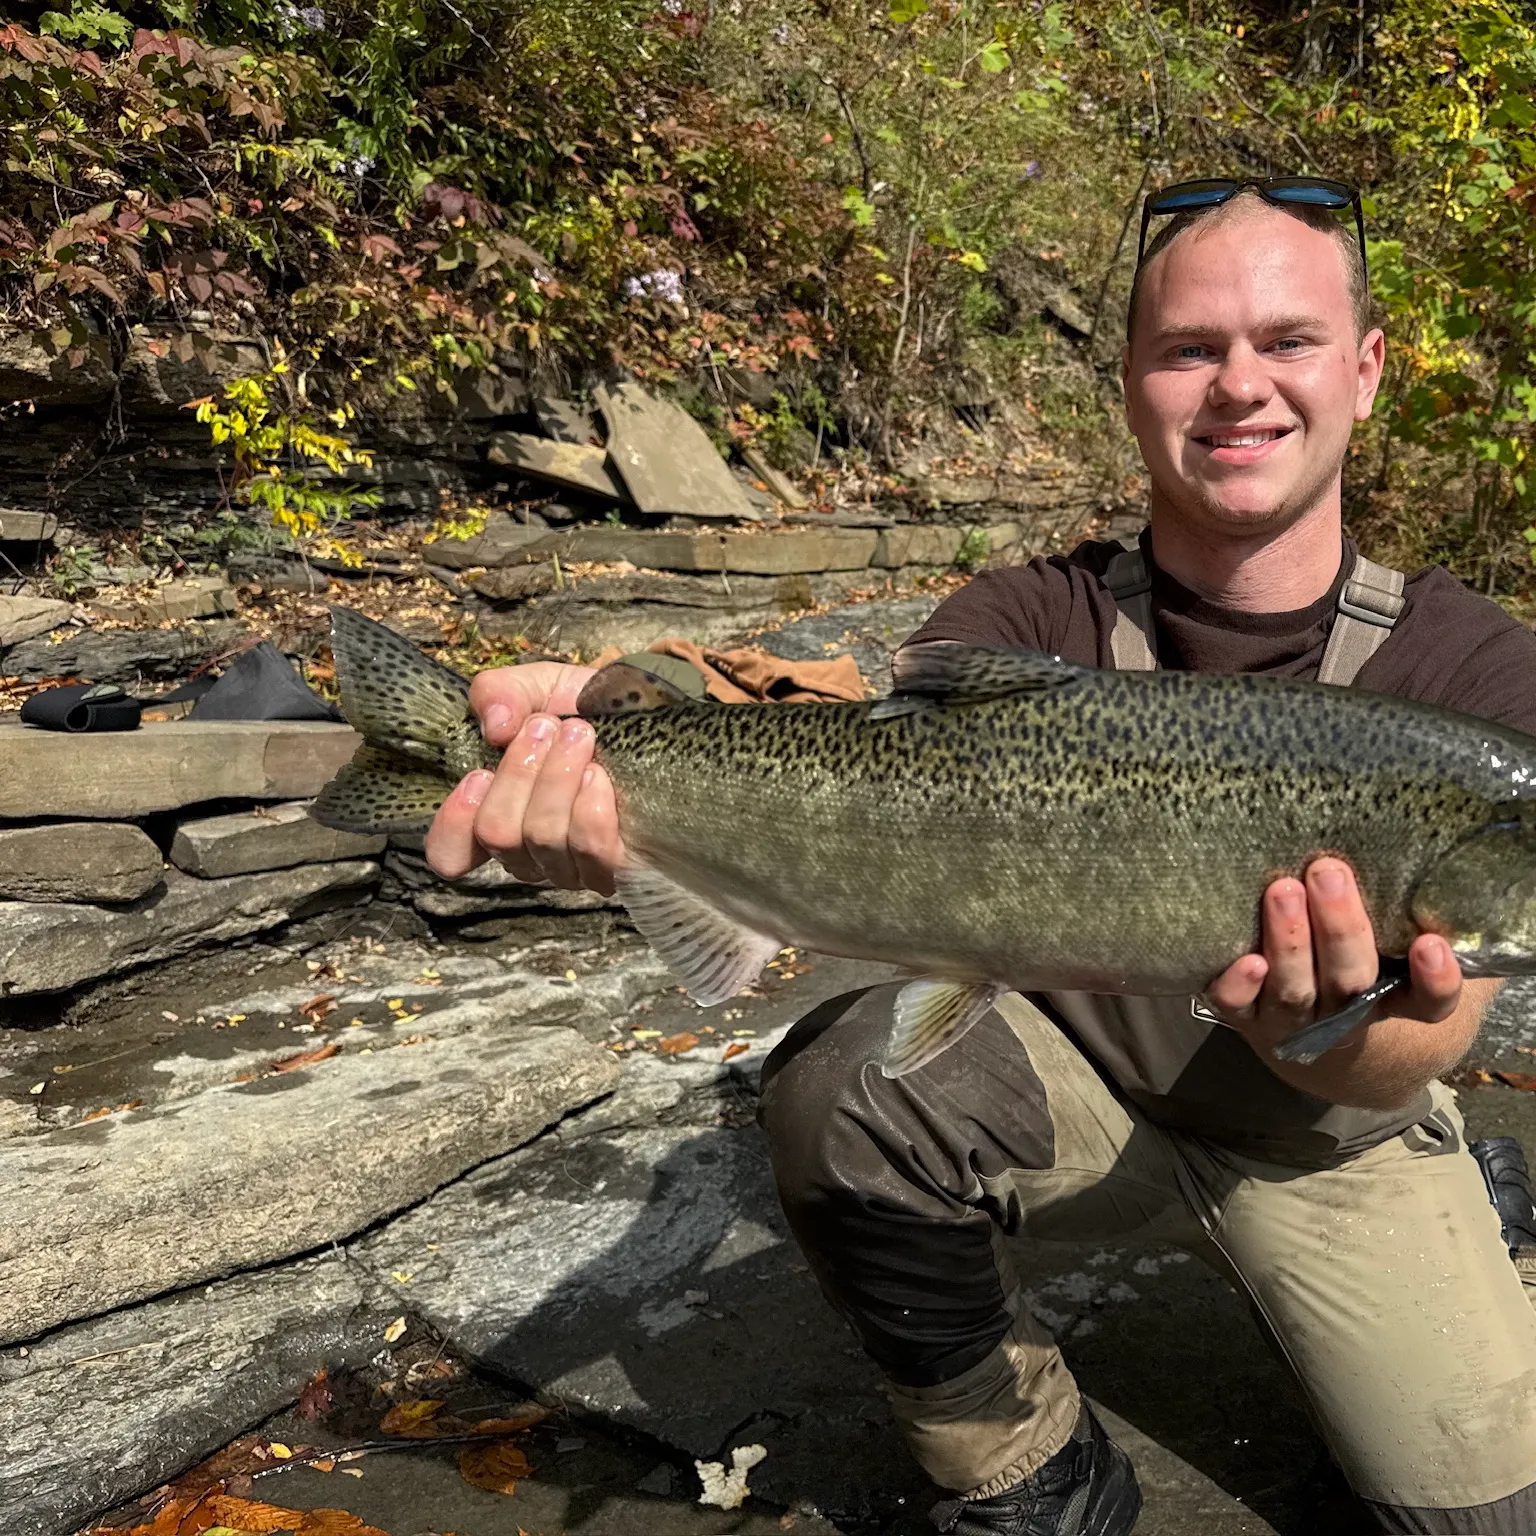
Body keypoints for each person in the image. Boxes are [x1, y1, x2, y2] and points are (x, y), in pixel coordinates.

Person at [425, 180, 1536, 1534]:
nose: (1241, 385)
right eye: (1191, 348)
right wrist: (612, 749)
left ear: (1363, 370)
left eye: (1288, 341)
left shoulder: (1477, 677)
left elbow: (1429, 1041)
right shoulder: (1026, 614)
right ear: (1130, 382)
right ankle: (1020, 1463)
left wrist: (1331, 1032)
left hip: (1332, 1142)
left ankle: (1473, 1199)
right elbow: (853, 744)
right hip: (1074, 1094)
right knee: (842, 1084)